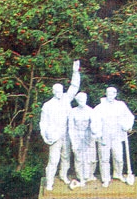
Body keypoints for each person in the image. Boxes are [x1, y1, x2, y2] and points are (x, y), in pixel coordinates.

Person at [39, 60, 80, 190]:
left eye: (61, 90)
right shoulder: (47, 105)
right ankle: (49, 181)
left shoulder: (66, 99)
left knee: (66, 157)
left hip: (66, 133)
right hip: (54, 135)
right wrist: (44, 136)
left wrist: (75, 72)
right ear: (53, 91)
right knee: (53, 159)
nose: (59, 92)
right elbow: (43, 122)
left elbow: (74, 87)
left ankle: (63, 175)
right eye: (56, 91)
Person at [92, 87, 135, 187]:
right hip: (104, 136)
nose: (110, 95)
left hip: (117, 136)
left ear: (115, 94)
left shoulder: (121, 105)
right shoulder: (100, 107)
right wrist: (98, 133)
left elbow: (130, 116)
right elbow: (94, 121)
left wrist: (127, 126)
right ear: (106, 94)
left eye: (112, 93)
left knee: (119, 157)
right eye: (108, 93)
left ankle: (118, 174)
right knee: (104, 159)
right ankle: (105, 178)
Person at [68, 91, 98, 188]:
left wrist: (94, 132)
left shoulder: (91, 111)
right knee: (79, 158)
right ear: (77, 101)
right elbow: (71, 127)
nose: (82, 101)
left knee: (91, 157)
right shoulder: (73, 112)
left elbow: (95, 124)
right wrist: (73, 141)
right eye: (80, 100)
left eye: (84, 99)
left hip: (88, 136)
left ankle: (89, 175)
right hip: (77, 136)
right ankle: (81, 177)